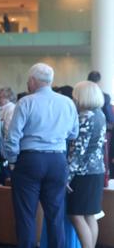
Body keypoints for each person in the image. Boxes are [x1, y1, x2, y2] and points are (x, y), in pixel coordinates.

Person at [2, 63, 79, 248]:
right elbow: (73, 133)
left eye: (29, 81)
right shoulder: (67, 102)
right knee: (55, 215)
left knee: (26, 216)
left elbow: (13, 136)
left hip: (30, 160)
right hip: (57, 161)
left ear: (33, 81)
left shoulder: (26, 102)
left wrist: (12, 160)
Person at [67, 81, 107, 248]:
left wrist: (67, 177)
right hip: (97, 171)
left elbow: (78, 150)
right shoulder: (100, 114)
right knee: (90, 215)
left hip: (82, 173)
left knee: (76, 215)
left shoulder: (85, 116)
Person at [0, 87, 16, 185]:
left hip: (6, 150)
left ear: (8, 98)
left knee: (4, 177)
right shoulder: (0, 109)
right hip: (0, 147)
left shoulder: (11, 109)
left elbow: (8, 131)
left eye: (1, 97)